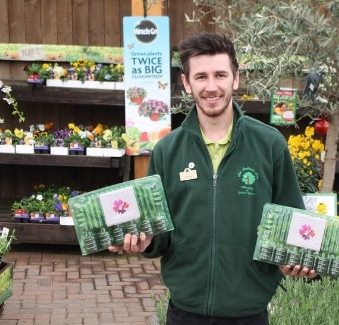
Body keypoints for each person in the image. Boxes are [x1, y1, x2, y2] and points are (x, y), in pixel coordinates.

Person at [109, 31, 315, 324]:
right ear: (186, 82)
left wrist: (297, 259)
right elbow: (159, 231)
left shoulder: (269, 145)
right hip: (185, 312)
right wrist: (142, 240)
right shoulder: (167, 150)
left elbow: (293, 221)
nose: (211, 86)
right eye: (201, 77)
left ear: (235, 78)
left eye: (220, 75)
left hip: (249, 312)